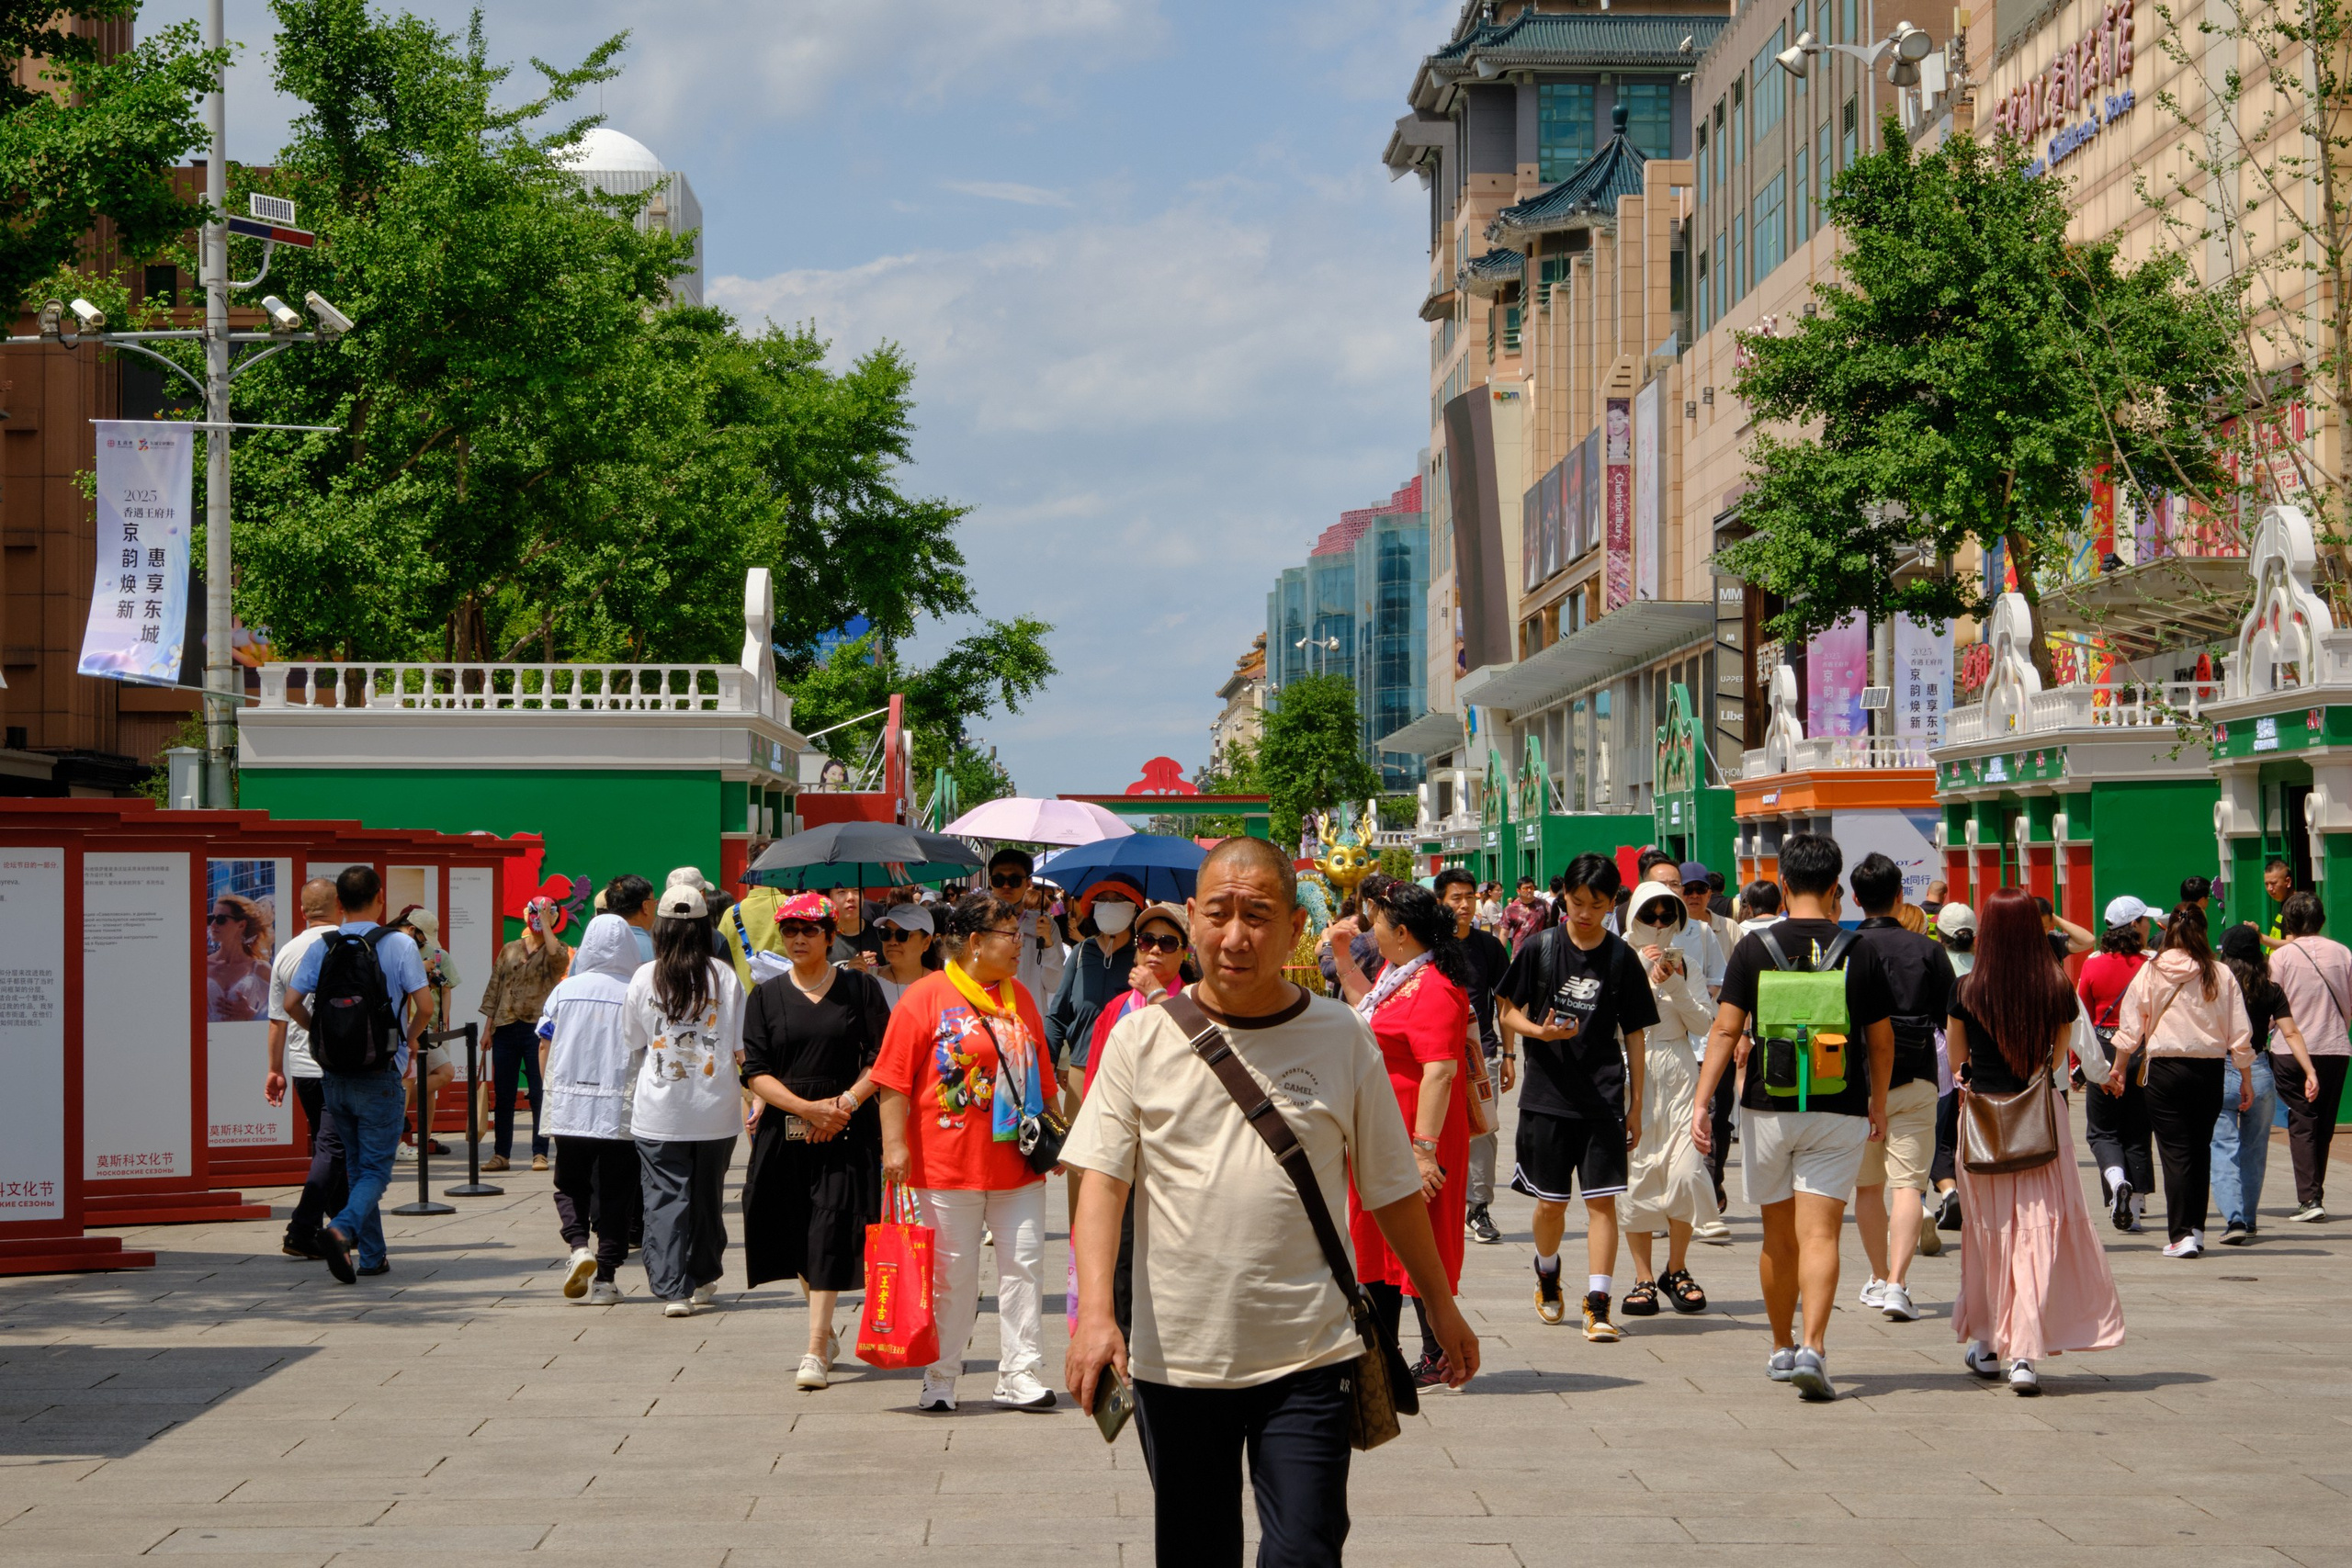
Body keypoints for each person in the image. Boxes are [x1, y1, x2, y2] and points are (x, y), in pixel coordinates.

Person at [1062, 837, 1477, 1567]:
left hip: (1310, 1352)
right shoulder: (1140, 1038)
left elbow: (1389, 1186)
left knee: (1305, 1551)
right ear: (1191, 917)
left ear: (1293, 927)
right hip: (1178, 1358)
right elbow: (1102, 1178)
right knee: (1197, 1552)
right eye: (1218, 913)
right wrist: (1095, 1314)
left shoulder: (1341, 1034)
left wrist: (1441, 1307)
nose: (1235, 936)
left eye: (1256, 916)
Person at [1693, 831, 1895, 1402]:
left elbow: (1725, 1030)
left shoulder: (1754, 948)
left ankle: (1781, 1347)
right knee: (1821, 1233)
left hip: (1769, 1107)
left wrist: (1702, 1102)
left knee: (1778, 1237)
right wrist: (1878, 1102)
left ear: (1783, 885)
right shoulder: (1859, 950)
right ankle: (1814, 1347)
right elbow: (1881, 1042)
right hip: (1839, 1106)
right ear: (1836, 889)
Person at [875, 890, 1058, 1412]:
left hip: (1017, 1165)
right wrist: (894, 1146)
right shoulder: (926, 997)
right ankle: (941, 1376)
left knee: (1024, 1267)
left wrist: (1057, 1137)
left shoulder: (1021, 999)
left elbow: (1044, 1077)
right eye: (1010, 935)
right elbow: (893, 1081)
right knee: (951, 1278)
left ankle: (1019, 1373)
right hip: (945, 1166)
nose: (1019, 944)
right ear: (976, 942)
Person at [1945, 888, 2126, 1394]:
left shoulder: (1964, 989)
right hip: (2041, 1120)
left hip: (1983, 1123)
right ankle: (2023, 1354)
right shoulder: (2055, 986)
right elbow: (2058, 1058)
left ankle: (1987, 1344)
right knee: (2035, 1231)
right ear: (2033, 929)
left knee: (1989, 1235)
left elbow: (1958, 1063)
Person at [1494, 852, 1657, 1343]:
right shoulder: (1540, 947)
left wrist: (1635, 1104)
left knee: (1602, 1203)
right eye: (1577, 901)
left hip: (1603, 1096)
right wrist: (1538, 1033)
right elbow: (1507, 1010)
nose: (1585, 913)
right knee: (1551, 1205)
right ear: (1564, 895)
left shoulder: (1621, 958)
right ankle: (1547, 1271)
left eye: (1597, 904)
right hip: (1546, 1095)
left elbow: (1635, 1035)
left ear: (1612, 904)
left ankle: (1598, 1304)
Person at [740, 891, 888, 1389]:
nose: (798, 938)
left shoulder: (860, 989)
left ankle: (815, 1347)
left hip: (847, 1128)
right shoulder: (765, 996)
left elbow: (882, 1058)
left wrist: (843, 1105)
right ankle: (822, 1326)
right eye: (790, 930)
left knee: (829, 1228)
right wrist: (806, 1109)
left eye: (809, 930)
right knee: (797, 1231)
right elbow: (756, 1071)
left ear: (830, 936)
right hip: (786, 1129)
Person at [1340, 882, 1474, 1387]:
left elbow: (1440, 1072)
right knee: (1375, 1239)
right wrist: (1340, 957)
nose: (1370, 928)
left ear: (1401, 933)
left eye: (1377, 920)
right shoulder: (1397, 975)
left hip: (1418, 1131)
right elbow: (1369, 1012)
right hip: (1383, 1127)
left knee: (1421, 1238)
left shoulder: (1435, 987)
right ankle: (1383, 1352)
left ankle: (1438, 1354)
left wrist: (1423, 1152)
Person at [283, 865, 433, 1284]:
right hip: (380, 1071)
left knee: (355, 1167)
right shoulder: (399, 944)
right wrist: (409, 1040)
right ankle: (341, 1229)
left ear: (340, 903)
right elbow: (425, 1006)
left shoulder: (324, 946)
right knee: (374, 1172)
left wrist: (320, 1033)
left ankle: (373, 1256)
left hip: (335, 1075)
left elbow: (292, 1002)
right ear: (380, 897)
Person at [626, 883, 748, 1315]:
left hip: (660, 1109)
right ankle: (703, 1274)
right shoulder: (725, 977)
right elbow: (740, 1046)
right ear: (704, 928)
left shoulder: (644, 976)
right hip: (716, 1108)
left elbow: (634, 1039)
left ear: (660, 928)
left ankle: (672, 1288)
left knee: (664, 1197)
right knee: (707, 1197)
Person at [1846, 853, 1957, 1325]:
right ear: (1900, 895)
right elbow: (1950, 1016)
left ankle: (1877, 1276)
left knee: (1868, 1188)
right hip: (1917, 1078)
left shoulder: (1845, 948)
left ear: (1855, 899)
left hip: (1857, 1086)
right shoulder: (1927, 949)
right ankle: (1897, 1283)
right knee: (1909, 1186)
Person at [2105, 906, 2254, 1258]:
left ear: (2169, 930)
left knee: (2175, 1153)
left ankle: (2181, 1235)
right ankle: (2196, 1231)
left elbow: (2131, 1024)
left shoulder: (2152, 970)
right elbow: (2239, 1031)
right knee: (2200, 1150)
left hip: (2166, 1071)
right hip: (2209, 1070)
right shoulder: (2219, 972)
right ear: (2203, 931)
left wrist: (2119, 1066)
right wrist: (2245, 1077)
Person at [1617, 884, 1717, 1317]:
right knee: (1636, 1177)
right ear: (1633, 916)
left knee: (1686, 1173)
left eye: (1666, 916)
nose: (1658, 924)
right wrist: (1642, 971)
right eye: (1649, 915)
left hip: (1678, 1071)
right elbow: (1610, 1021)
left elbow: (1704, 1023)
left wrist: (1674, 983)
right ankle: (1643, 1276)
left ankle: (1676, 1267)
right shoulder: (1618, 959)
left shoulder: (1686, 962)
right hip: (1631, 1074)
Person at [537, 913, 642, 1305]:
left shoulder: (565, 990)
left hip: (570, 1105)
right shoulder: (636, 992)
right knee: (617, 1193)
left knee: (570, 1183)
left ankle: (579, 1245)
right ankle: (606, 1279)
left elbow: (544, 1043)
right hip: (620, 1107)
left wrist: (551, 1090)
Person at [2212, 923, 2320, 1244]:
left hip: (2220, 1069)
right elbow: (2291, 1032)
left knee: (2222, 1146)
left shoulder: (2215, 988)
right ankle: (2248, 1219)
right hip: (2259, 1070)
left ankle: (2233, 1218)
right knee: (2254, 1150)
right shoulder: (2271, 990)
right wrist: (2310, 1071)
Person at [265, 878, 345, 1260]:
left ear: (302, 911)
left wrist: (274, 1069)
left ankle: (344, 1226)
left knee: (329, 1147)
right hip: (340, 1064)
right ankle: (301, 1229)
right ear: (339, 906)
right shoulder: (348, 945)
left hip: (302, 1067)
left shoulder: (286, 952)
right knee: (333, 1149)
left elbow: (277, 1020)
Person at [1436, 868, 1512, 1246]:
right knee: (1433, 1128)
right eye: (1456, 898)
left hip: (1481, 1053)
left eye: (1469, 896)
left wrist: (1509, 1053)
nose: (1465, 905)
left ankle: (1478, 1208)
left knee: (1483, 1131)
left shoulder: (1489, 947)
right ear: (1440, 902)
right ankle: (1439, 1203)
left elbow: (1505, 1002)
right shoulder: (1428, 947)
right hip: (1435, 1053)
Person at [2269, 891, 2351, 1221]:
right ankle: (2315, 1193)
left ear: (2289, 921)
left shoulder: (2282, 957)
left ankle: (2309, 1198)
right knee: (2325, 1123)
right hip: (2334, 1046)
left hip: (2290, 1051)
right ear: (2321, 919)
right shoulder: (2343, 953)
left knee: (2302, 1120)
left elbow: (2273, 1003)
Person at [2078, 896, 2157, 1233]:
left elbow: (2081, 1016)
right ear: (2134, 925)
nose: (2149, 925)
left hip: (2103, 1052)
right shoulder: (2151, 964)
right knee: (2138, 1130)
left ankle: (2115, 1182)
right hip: (2142, 1052)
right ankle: (2135, 1210)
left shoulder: (2092, 965)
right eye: (2145, 920)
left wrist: (2078, 1062)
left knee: (2102, 1129)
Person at [478, 896, 571, 1173]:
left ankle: (540, 1153)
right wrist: (487, 1028)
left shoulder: (557, 948)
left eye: (544, 913)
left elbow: (558, 960)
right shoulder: (510, 949)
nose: (537, 917)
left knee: (539, 1093)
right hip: (505, 1025)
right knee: (504, 1094)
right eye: (534, 912)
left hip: (536, 1029)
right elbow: (495, 987)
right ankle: (501, 1154)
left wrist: (546, 925)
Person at [1046, 876, 1144, 1095]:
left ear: (1134, 909)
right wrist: (1048, 1064)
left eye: (1117, 899)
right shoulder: (1081, 953)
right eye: (1102, 899)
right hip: (1080, 1071)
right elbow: (1057, 1016)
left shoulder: (1144, 959)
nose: (1109, 905)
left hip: (1129, 1077)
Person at [388, 907, 458, 1160]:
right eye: (423, 936)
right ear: (412, 930)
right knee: (407, 1080)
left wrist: (443, 1022)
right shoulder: (395, 946)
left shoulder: (438, 955)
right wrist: (419, 968)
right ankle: (394, 1130)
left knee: (439, 1074)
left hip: (423, 1026)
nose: (425, 942)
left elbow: (446, 989)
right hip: (402, 1026)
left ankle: (416, 1132)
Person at [1926, 902, 1978, 1237]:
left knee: (1941, 1136)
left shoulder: (1936, 964)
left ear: (1940, 936)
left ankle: (1948, 1192)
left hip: (1947, 1062)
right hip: (1986, 1066)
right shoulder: (1987, 969)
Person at [986, 848, 1068, 1007]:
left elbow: (1054, 985)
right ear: (990, 882)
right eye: (999, 879)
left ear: (1028, 883)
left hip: (1030, 1014)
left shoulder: (1044, 925)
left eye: (1015, 880)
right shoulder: (978, 922)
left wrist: (1048, 945)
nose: (1006, 886)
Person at [207, 892, 273, 1023]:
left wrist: (251, 1014)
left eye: (221, 919)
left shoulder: (260, 969)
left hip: (246, 1035)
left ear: (241, 925)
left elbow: (280, 1014)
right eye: (211, 918)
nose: (213, 925)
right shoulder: (201, 966)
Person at [873, 901, 940, 1008]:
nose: (893, 942)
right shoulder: (868, 979)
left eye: (902, 934)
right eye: (885, 933)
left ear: (926, 942)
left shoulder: (940, 986)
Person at [605, 874, 658, 965]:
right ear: (645, 907)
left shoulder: (589, 950)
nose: (655, 906)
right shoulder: (660, 951)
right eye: (654, 902)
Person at [1499, 874, 1551, 953]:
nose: (1529, 891)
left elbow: (1552, 926)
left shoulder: (1544, 905)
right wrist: (1500, 954)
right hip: (1520, 952)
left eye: (1531, 888)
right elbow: (1504, 934)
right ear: (1518, 891)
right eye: (1526, 888)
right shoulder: (1510, 909)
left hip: (1540, 951)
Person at [2259, 857, 2294, 948]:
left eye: (2273, 883)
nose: (2269, 888)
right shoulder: (2285, 904)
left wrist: (2260, 937)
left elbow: (2291, 944)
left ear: (2288, 882)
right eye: (2266, 884)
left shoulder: (2294, 907)